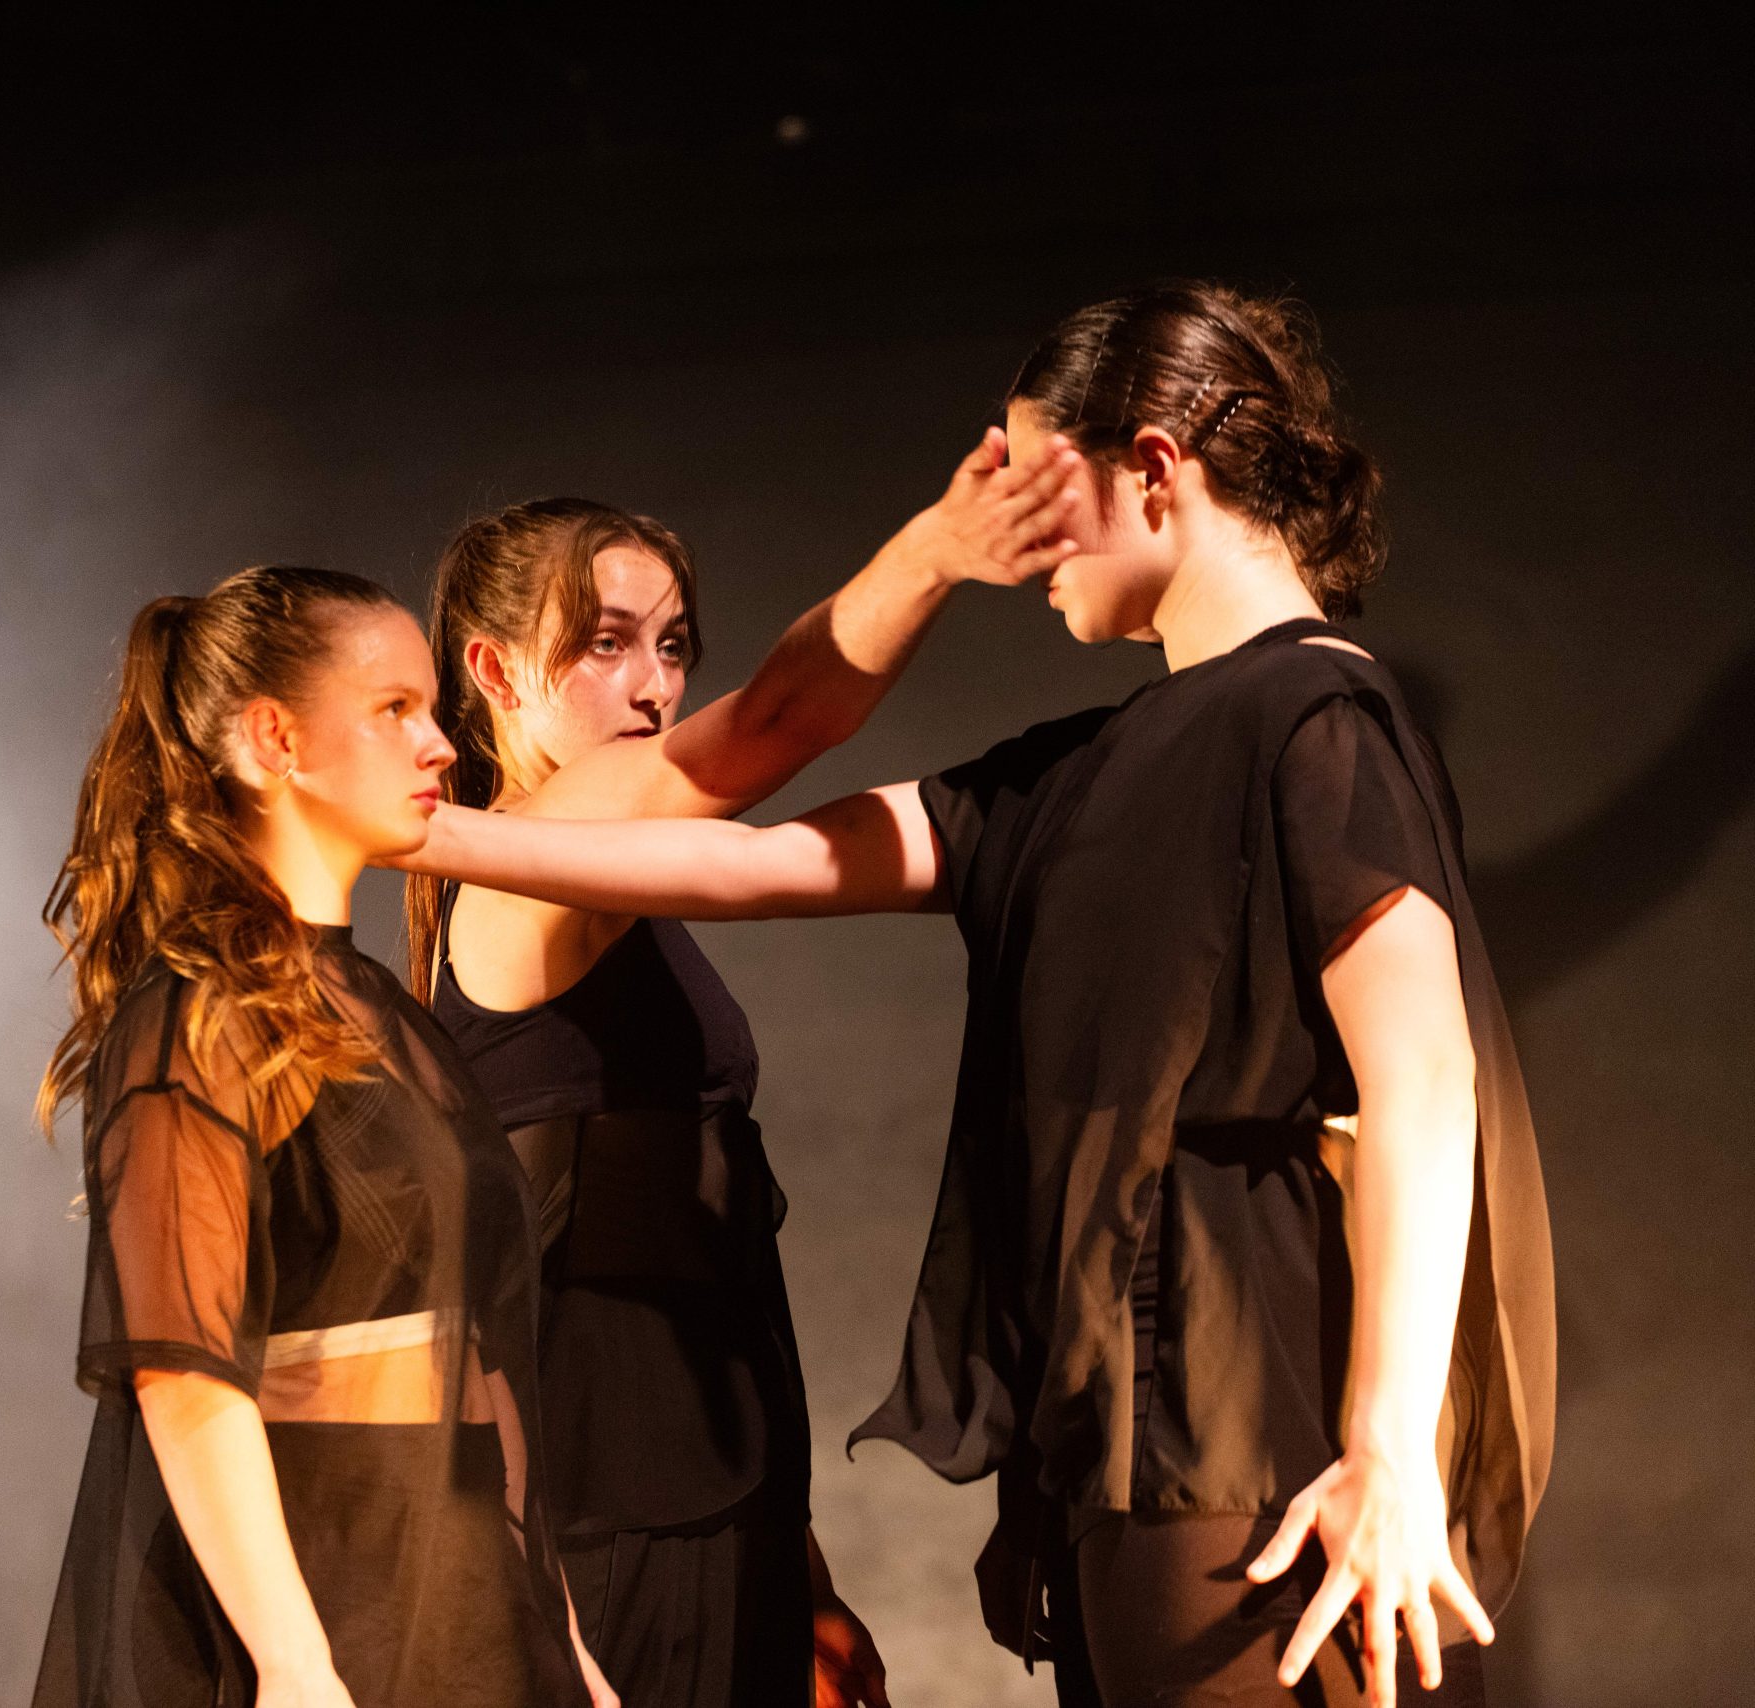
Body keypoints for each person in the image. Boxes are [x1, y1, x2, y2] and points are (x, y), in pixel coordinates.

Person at [391, 283, 1555, 1708]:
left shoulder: (1315, 712)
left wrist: (1389, 1446)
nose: (1023, 544)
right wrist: (394, 830)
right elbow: (751, 854)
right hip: (1109, 1447)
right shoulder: (1078, 771)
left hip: (1260, 1422)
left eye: (1034, 485)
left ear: (1154, 469)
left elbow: (1425, 1081)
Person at [401, 444, 1085, 1708]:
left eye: (672, 646)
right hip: (600, 1537)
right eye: (606, 643)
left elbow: (707, 1275)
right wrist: (936, 549)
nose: (654, 685)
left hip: (714, 1505)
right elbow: (776, 724)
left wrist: (800, 1569)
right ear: (493, 672)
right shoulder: (525, 864)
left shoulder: (609, 890)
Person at [30, 565, 618, 1708]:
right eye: (394, 708)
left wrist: (556, 1625)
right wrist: (293, 1661)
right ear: (275, 740)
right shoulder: (199, 1016)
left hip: (458, 1577)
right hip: (327, 1579)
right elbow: (181, 1367)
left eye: (431, 708)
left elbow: (475, 1347)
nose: (439, 744)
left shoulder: (381, 1008)